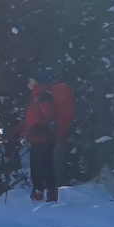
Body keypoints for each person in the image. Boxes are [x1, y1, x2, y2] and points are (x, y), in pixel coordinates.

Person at [20, 68, 74, 202]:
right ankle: (48, 192)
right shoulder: (40, 94)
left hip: (41, 134)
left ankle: (42, 193)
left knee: (39, 165)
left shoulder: (41, 94)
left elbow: (44, 113)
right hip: (43, 134)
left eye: (31, 80)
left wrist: (31, 128)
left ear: (37, 81)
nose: (29, 82)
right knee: (44, 163)